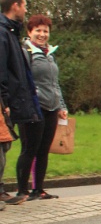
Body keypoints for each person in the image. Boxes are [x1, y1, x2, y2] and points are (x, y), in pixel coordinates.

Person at [19, 14, 67, 200]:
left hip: (51, 108)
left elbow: (55, 83)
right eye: (38, 30)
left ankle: (38, 189)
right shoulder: (26, 52)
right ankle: (22, 190)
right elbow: (22, 81)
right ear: (29, 32)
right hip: (33, 108)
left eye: (45, 31)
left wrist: (61, 106)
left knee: (43, 150)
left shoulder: (50, 54)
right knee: (29, 149)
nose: (42, 34)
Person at [0, 0, 42, 206]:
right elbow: (2, 69)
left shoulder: (10, 32)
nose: (25, 10)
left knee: (5, 145)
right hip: (6, 100)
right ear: (15, 5)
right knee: (2, 145)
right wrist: (4, 101)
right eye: (24, 5)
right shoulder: (3, 33)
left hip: (15, 98)